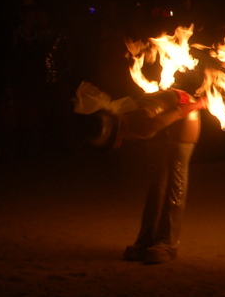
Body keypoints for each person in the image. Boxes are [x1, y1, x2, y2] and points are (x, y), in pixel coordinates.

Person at [75, 82, 205, 265]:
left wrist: (200, 103)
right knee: (156, 180)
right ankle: (145, 240)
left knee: (174, 179)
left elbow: (179, 111)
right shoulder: (125, 119)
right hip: (164, 111)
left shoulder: (142, 124)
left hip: (185, 108)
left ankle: (167, 244)